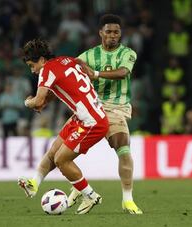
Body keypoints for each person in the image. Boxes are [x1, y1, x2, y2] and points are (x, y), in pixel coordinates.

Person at [17, 39, 109, 215]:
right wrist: (45, 101)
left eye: (32, 65)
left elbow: (38, 100)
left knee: (61, 160)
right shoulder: (66, 60)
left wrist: (28, 102)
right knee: (53, 152)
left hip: (92, 122)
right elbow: (62, 86)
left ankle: (90, 195)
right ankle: (33, 184)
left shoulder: (46, 70)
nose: (33, 70)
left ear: (42, 60)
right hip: (83, 117)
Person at [71, 14, 143, 214]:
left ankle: (127, 200)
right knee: (62, 152)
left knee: (124, 149)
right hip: (90, 107)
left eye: (116, 32)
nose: (113, 35)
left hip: (115, 108)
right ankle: (77, 189)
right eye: (109, 32)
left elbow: (123, 72)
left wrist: (94, 74)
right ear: (100, 33)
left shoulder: (128, 53)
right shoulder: (88, 55)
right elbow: (70, 69)